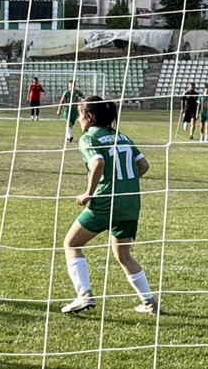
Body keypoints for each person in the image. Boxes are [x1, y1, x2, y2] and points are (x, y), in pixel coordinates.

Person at [61, 97, 158, 316]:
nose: (78, 119)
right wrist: (125, 184)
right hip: (130, 203)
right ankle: (150, 302)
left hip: (106, 202)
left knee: (72, 243)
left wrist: (89, 193)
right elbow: (143, 165)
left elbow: (98, 162)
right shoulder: (122, 137)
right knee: (123, 255)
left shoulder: (89, 138)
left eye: (79, 114)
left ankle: (84, 295)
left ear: (90, 116)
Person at [56, 78, 85, 143]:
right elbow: (62, 101)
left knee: (71, 124)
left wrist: (82, 100)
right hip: (67, 110)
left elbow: (83, 97)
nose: (72, 85)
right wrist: (59, 110)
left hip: (75, 110)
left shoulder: (77, 92)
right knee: (68, 122)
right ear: (68, 85)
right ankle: (69, 136)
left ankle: (68, 137)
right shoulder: (66, 93)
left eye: (73, 84)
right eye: (70, 84)